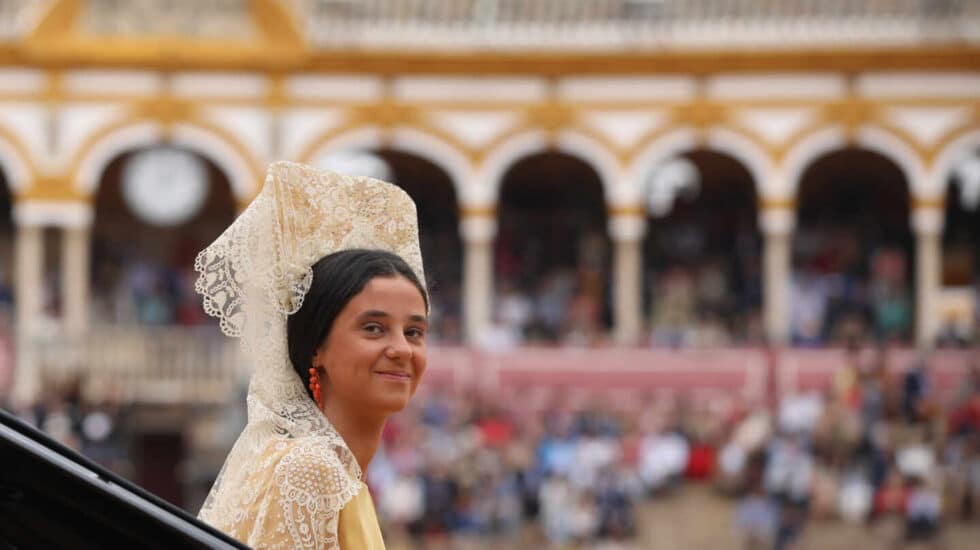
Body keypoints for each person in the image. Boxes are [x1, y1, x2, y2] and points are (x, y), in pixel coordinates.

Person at [195, 161, 429, 549]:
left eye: (414, 332)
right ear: (316, 346)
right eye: (373, 328)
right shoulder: (310, 469)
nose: (401, 349)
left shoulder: (340, 474)